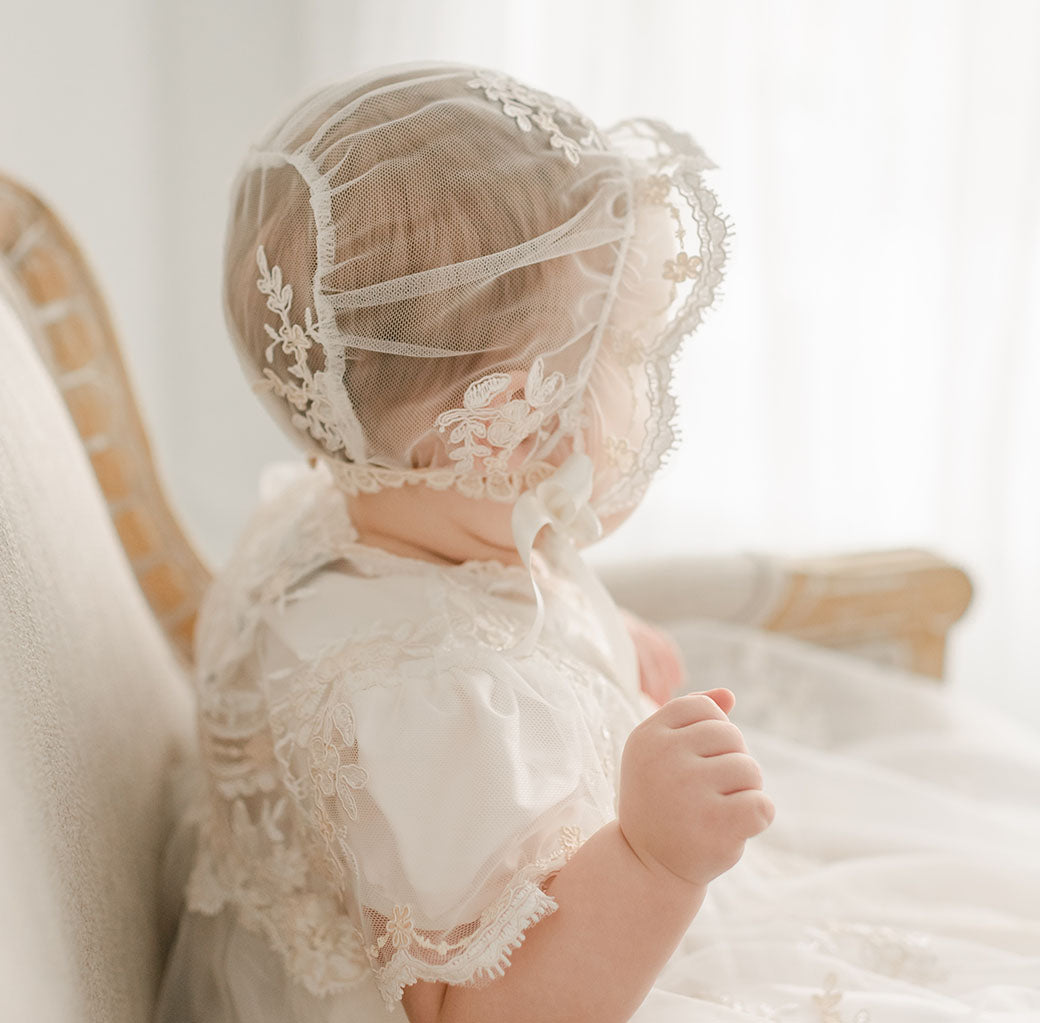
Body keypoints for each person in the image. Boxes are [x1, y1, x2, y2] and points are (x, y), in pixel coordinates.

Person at [155, 60, 1040, 1023]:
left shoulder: (336, 515)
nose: (642, 380)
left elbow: (476, 612)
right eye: (620, 352)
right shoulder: (433, 701)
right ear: (515, 420)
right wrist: (651, 861)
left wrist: (587, 641)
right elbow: (485, 1010)